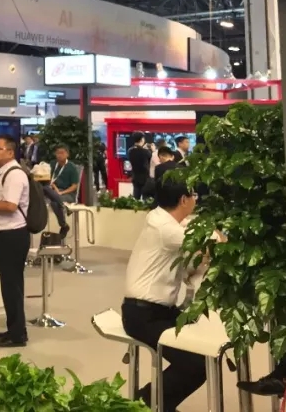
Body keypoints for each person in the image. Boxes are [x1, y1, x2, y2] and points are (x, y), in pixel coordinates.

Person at [121, 176, 206, 411]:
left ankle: (156, 404)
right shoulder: (166, 229)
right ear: (183, 200)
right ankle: (144, 404)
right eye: (194, 196)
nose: (196, 200)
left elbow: (189, 262)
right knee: (196, 364)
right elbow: (210, 244)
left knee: (202, 345)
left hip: (160, 311)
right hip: (144, 316)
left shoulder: (161, 219)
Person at [0, 134, 31, 348]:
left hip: (13, 235)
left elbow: (10, 205)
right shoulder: (3, 173)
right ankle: (14, 328)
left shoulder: (14, 175)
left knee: (12, 286)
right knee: (9, 285)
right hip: (4, 233)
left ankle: (17, 334)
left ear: (10, 152)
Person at [46, 145, 80, 236]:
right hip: (53, 190)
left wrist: (61, 192)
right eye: (57, 153)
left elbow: (74, 186)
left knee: (54, 202)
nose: (59, 155)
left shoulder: (71, 167)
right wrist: (53, 186)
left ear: (67, 154)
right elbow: (48, 178)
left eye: (62, 153)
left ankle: (63, 225)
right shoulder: (52, 164)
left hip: (67, 193)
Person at [126, 133, 151, 199]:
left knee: (136, 197)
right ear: (142, 139)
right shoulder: (146, 152)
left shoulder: (130, 151)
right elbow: (150, 160)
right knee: (146, 198)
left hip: (135, 177)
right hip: (145, 178)